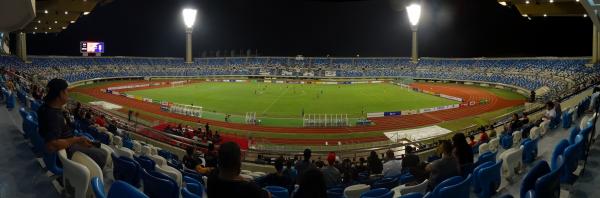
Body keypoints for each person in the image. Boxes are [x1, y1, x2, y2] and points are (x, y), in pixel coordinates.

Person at [38, 78, 107, 168]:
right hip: (66, 152)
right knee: (103, 154)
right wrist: (77, 140)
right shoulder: (53, 115)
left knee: (96, 146)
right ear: (61, 93)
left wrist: (78, 139)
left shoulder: (45, 108)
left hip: (68, 144)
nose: (68, 93)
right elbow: (51, 145)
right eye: (66, 91)